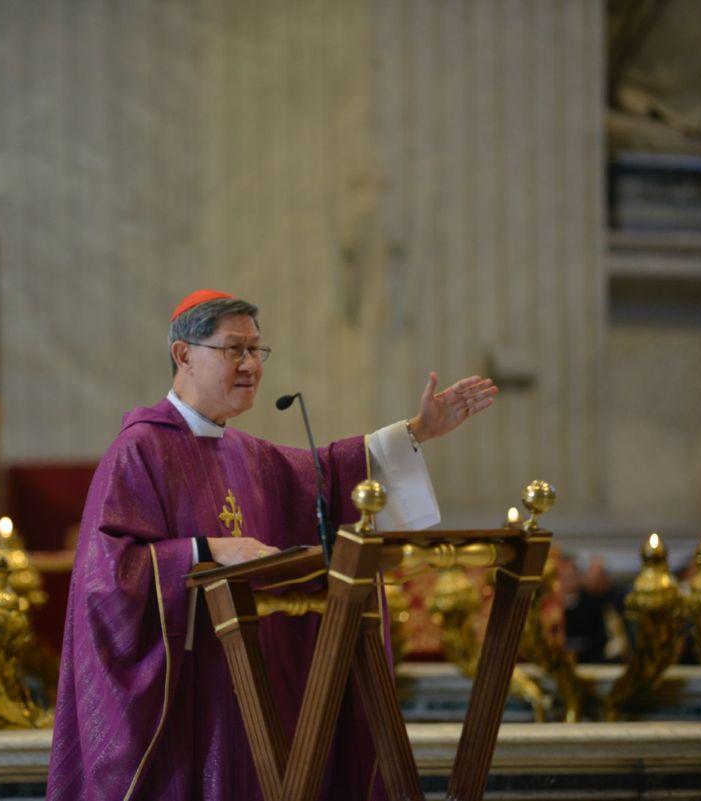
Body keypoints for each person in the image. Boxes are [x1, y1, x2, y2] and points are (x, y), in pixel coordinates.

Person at [47, 290, 497, 801]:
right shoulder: (139, 449)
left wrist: (418, 431)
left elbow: (328, 477)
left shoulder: (249, 456)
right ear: (183, 354)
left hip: (252, 699)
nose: (251, 366)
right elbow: (104, 580)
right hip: (192, 700)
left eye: (256, 351)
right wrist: (203, 550)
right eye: (234, 349)